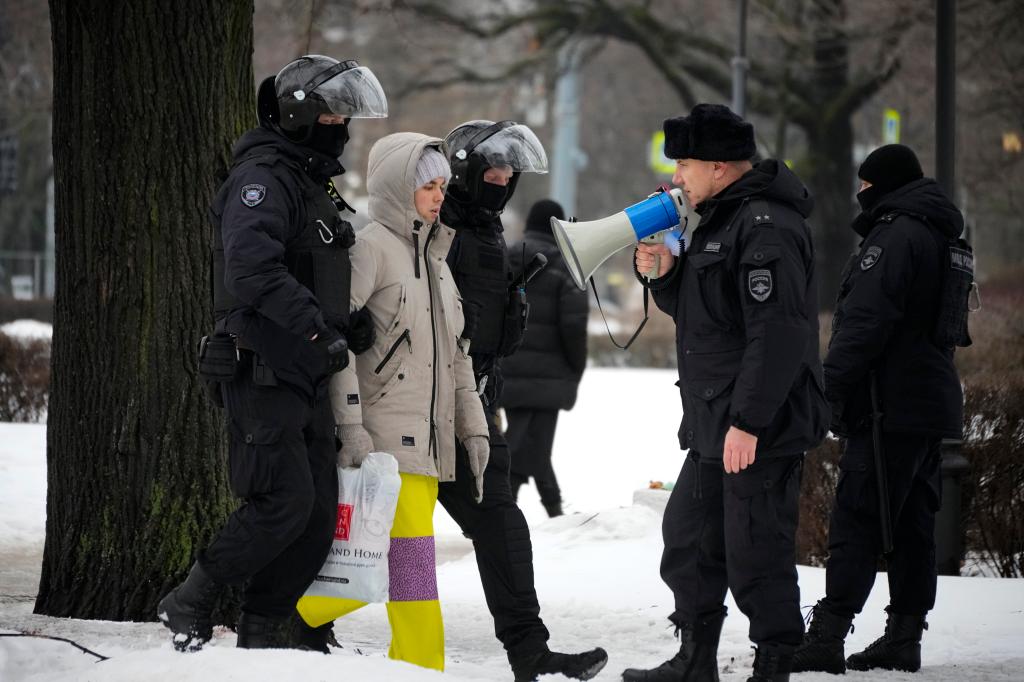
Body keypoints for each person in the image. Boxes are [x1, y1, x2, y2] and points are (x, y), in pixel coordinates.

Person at [156, 54, 387, 651]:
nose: (343, 125)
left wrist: (345, 324)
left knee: (313, 520)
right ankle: (191, 598)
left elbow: (311, 269)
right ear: (298, 112)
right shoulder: (264, 178)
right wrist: (317, 328)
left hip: (304, 372)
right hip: (264, 368)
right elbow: (253, 267)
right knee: (284, 503)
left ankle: (262, 634)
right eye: (334, 113)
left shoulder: (309, 182)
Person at [624, 103, 829, 682]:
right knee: (689, 538)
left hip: (757, 426)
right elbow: (705, 315)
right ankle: (695, 661)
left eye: (685, 163)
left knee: (755, 552)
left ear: (719, 167)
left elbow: (779, 334)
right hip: (720, 421)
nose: (676, 176)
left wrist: (750, 422)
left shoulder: (766, 226)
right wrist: (665, 273)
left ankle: (774, 665)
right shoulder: (722, 219)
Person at [291, 133, 490, 670]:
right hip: (384, 442)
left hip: (427, 445)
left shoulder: (439, 262)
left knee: (388, 569)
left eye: (442, 185)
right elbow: (338, 341)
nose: (437, 195)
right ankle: (423, 668)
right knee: (412, 574)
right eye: (427, 184)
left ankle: (288, 615)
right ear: (398, 185)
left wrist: (474, 428)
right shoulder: (370, 246)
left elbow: (458, 356)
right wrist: (351, 426)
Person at [439, 120, 608, 682]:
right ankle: (297, 626)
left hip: (478, 402)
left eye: (510, 173)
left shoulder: (488, 231)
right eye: (492, 171)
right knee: (389, 532)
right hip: (419, 408)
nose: (503, 180)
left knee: (502, 524)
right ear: (463, 170)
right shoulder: (439, 228)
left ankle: (529, 652)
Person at [792, 144, 968, 675]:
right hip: (927, 400)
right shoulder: (939, 231)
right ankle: (904, 636)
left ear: (881, 186)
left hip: (888, 403)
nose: (859, 196)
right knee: (912, 523)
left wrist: (825, 390)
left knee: (859, 519)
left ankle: (828, 634)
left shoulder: (895, 235)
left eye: (864, 186)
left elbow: (866, 323)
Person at [500, 199, 589, 517]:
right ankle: (501, 506)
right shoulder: (568, 265)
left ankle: (549, 509)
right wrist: (575, 367)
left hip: (507, 369)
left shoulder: (506, 255)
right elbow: (574, 325)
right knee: (528, 445)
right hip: (550, 375)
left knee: (531, 443)